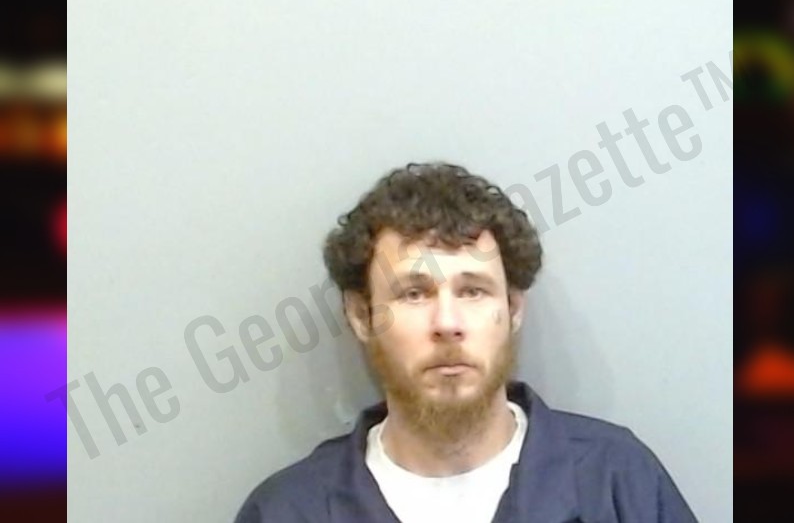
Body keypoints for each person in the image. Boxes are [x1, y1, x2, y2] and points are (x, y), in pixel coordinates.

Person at [234, 162, 697, 522]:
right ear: (362, 316)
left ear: (513, 309)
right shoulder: (286, 512)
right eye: (414, 294)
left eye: (473, 291)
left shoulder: (618, 483)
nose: (447, 323)